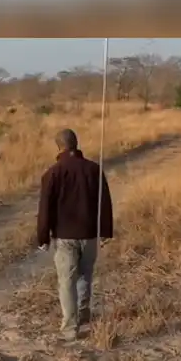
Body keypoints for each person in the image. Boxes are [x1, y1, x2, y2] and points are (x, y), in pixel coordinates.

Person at [36, 128, 114, 340]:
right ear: (76, 144)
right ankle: (83, 313)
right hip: (89, 234)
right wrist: (105, 231)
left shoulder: (52, 173)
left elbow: (45, 209)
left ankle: (71, 328)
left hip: (65, 236)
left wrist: (43, 237)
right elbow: (105, 202)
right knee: (85, 274)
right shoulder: (94, 169)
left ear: (59, 147)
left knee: (67, 280)